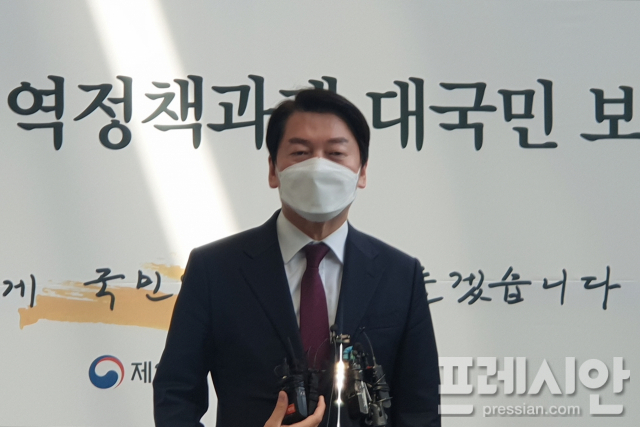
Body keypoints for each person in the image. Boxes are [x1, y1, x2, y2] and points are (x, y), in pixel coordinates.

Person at [153, 89, 441, 427]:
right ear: (273, 170)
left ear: (362, 172)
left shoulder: (400, 275)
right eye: (301, 153)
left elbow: (420, 408)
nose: (317, 166)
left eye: (335, 153)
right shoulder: (215, 270)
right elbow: (175, 394)